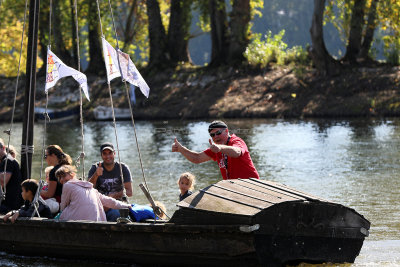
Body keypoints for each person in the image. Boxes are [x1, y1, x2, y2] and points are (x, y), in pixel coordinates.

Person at [172, 120, 259, 180]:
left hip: (252, 186)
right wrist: (181, 149)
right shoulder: (215, 148)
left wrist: (220, 148)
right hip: (234, 188)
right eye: (212, 135)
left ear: (226, 131)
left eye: (218, 133)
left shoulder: (235, 141)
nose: (216, 136)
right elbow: (197, 158)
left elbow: (237, 152)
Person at [56, 165, 131, 222]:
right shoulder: (91, 188)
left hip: (77, 221)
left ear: (72, 174)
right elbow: (109, 201)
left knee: (59, 216)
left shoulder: (67, 185)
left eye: (63, 176)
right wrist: (127, 206)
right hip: (96, 221)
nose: (61, 180)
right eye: (59, 178)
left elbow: (63, 206)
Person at [88, 142, 133, 221]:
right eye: (104, 154)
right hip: (100, 204)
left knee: (115, 214)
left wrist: (112, 196)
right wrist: (96, 175)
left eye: (110, 153)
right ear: (101, 155)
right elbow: (87, 189)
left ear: (114, 153)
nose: (108, 156)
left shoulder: (123, 168)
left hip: (118, 203)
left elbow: (129, 192)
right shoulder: (95, 167)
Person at [0, 138, 23, 214]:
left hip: (9, 206)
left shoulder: (8, 161)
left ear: (3, 148)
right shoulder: (4, 161)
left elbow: (2, 182)